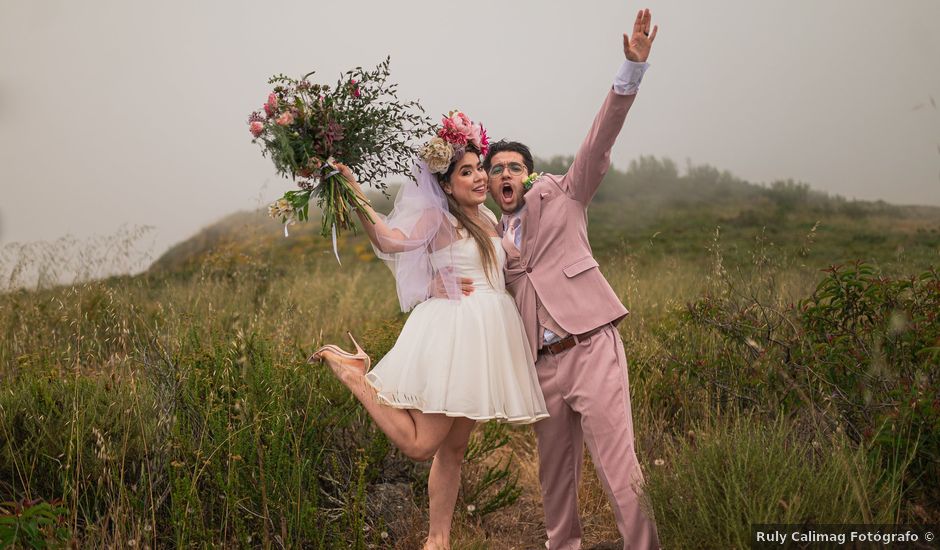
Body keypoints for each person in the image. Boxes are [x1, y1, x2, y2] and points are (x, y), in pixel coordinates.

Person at [310, 113, 548, 550]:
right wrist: (354, 191)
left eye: (479, 168)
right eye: (467, 171)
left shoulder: (489, 219)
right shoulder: (441, 220)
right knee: (422, 445)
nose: (479, 177)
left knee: (453, 449)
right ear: (445, 184)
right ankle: (355, 376)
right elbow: (389, 241)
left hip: (484, 339)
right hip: (455, 335)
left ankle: (438, 540)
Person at [482, 8, 661, 550]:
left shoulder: (565, 193)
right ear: (488, 183)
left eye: (514, 167)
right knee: (554, 481)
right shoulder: (489, 233)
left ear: (529, 175)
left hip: (591, 346)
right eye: (496, 170)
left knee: (620, 472)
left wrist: (628, 73)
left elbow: (598, 142)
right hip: (542, 367)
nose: (505, 175)